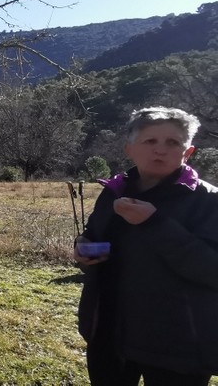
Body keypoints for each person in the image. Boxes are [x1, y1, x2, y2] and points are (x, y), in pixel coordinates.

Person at [75, 107, 218, 385]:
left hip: (178, 343)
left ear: (188, 152)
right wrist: (83, 248)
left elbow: (212, 269)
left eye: (173, 142)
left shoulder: (208, 201)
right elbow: (94, 238)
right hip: (108, 330)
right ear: (130, 149)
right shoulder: (113, 191)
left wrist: (154, 222)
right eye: (150, 141)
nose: (160, 150)